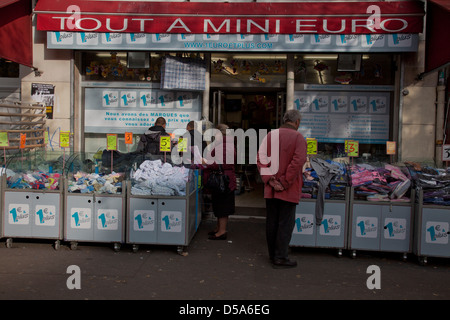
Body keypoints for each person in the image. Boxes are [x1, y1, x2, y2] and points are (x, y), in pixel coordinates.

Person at [257, 109, 307, 268]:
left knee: (272, 222)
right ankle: (280, 257)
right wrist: (284, 182)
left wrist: (270, 180)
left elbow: (260, 158)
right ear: (297, 122)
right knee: (285, 223)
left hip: (271, 189)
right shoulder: (298, 137)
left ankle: (273, 255)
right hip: (288, 189)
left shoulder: (270, 135)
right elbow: (298, 162)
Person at [203, 123, 236, 240]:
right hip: (223, 179)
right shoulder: (224, 144)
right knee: (219, 204)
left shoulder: (225, 145)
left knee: (222, 206)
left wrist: (206, 162)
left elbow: (221, 164)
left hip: (224, 180)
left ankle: (222, 231)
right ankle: (218, 228)